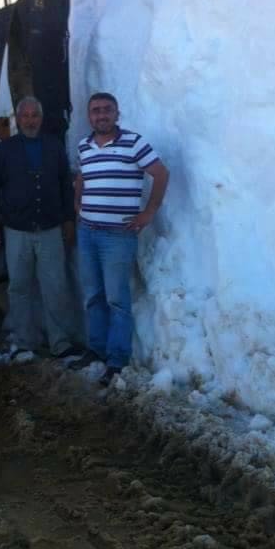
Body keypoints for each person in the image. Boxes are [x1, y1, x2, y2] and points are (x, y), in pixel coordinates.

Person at [73, 92, 169, 386]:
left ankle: (116, 359)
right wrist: (78, 205)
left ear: (117, 113)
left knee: (117, 299)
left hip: (118, 235)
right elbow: (81, 177)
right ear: (89, 116)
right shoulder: (84, 146)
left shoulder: (134, 143)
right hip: (87, 232)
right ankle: (96, 349)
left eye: (106, 110)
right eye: (95, 111)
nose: (101, 115)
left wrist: (148, 212)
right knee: (93, 296)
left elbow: (161, 174)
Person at [0, 96, 83, 360]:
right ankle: (25, 340)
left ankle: (60, 342)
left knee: (55, 286)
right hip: (16, 231)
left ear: (41, 118)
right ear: (18, 119)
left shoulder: (54, 147)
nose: (30, 120)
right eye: (25, 116)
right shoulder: (5, 150)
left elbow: (65, 185)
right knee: (19, 286)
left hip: (50, 229)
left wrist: (68, 219)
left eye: (34, 115)